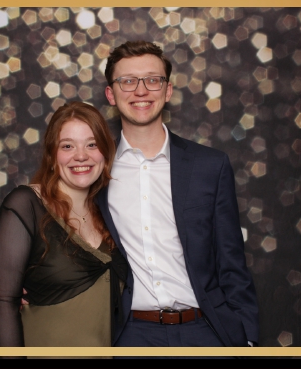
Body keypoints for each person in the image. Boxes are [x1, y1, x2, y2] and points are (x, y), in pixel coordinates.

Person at [94, 41, 259, 348]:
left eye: (152, 80)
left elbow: (232, 260)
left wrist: (247, 337)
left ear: (167, 90)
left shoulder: (210, 165)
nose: (141, 91)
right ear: (111, 94)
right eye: (128, 81)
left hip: (206, 332)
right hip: (129, 337)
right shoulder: (95, 169)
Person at [0, 103, 125, 346]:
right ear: (51, 156)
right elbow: (1, 303)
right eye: (67, 146)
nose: (81, 155)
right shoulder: (26, 204)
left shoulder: (112, 211)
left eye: (92, 144)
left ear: (105, 153)